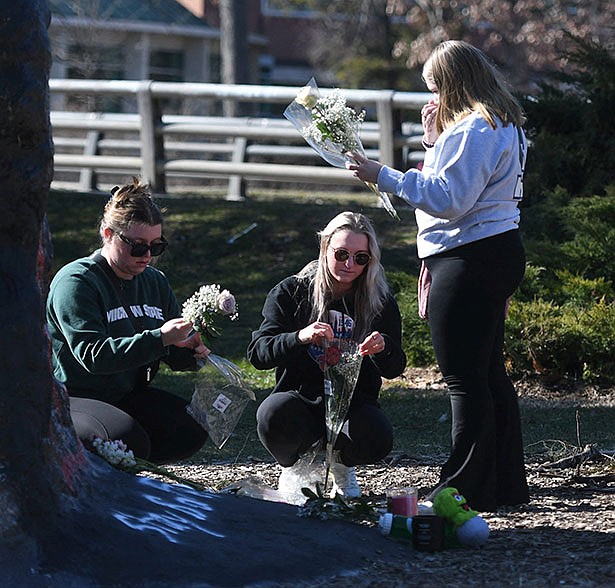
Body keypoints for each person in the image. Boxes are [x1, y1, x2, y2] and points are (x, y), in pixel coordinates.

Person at [346, 40, 530, 511]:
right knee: (488, 373)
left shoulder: (475, 128)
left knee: (463, 378)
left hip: (468, 257)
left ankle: (463, 486)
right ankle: (505, 482)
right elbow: (464, 183)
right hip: (496, 250)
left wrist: (380, 173)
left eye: (435, 87)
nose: (432, 96)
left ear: (454, 84)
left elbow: (449, 199)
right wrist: (432, 141)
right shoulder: (502, 124)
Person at [46, 177, 209, 465]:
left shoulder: (154, 282)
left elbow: (170, 354)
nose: (147, 256)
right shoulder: (77, 281)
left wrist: (190, 351)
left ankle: (127, 473)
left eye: (156, 246)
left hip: (127, 393)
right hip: (73, 396)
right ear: (109, 234)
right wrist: (160, 338)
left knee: (191, 427)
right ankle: (81, 467)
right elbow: (93, 357)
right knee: (128, 439)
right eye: (137, 246)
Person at [247, 211, 406, 500]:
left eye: (360, 258)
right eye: (341, 253)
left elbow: (395, 367)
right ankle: (294, 468)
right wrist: (299, 337)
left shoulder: (379, 301)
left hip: (354, 404)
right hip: (300, 397)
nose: (349, 264)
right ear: (325, 248)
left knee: (377, 435)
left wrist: (384, 348)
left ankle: (343, 466)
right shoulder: (292, 291)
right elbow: (258, 353)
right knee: (271, 415)